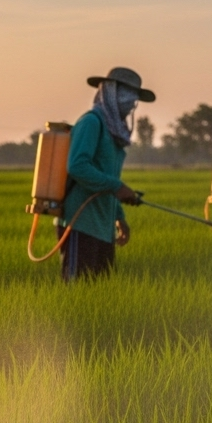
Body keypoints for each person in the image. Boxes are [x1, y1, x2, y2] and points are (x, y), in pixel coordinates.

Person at [57, 67, 154, 281]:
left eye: (133, 101)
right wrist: (118, 187)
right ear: (111, 93)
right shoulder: (91, 123)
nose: (130, 106)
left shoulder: (113, 133)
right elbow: (77, 166)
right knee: (77, 294)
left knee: (98, 295)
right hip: (80, 223)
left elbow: (108, 180)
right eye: (127, 98)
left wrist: (119, 216)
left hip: (103, 227)